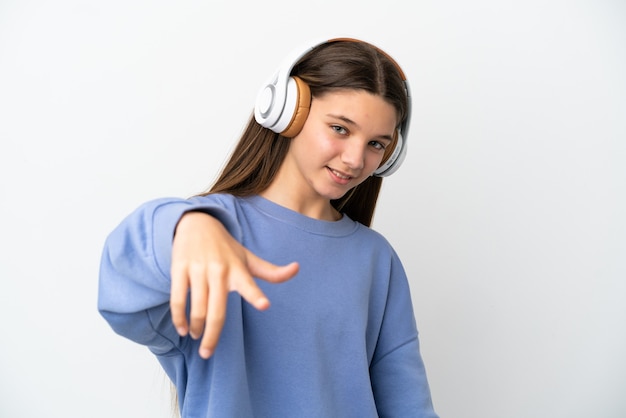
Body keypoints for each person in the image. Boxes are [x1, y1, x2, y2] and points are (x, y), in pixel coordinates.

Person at [98, 37, 439, 418]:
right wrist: (186, 225)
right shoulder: (210, 229)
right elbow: (119, 294)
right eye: (340, 129)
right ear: (287, 111)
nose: (356, 159)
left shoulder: (377, 259)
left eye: (377, 143)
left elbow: (407, 403)